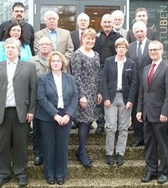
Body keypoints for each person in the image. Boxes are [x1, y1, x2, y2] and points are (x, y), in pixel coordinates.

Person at [0, 37, 37, 187]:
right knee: (2, 146)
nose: (10, 50)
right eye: (7, 48)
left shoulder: (29, 67)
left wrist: (31, 110)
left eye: (13, 48)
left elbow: (33, 90)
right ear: (4, 50)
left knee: (20, 145)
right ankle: (3, 174)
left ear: (19, 50)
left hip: (21, 112)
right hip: (2, 112)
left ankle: (21, 173)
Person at [35, 51, 78, 185]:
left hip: (65, 117)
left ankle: (60, 175)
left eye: (58, 61)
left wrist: (67, 115)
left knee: (62, 146)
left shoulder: (70, 78)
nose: (55, 63)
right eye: (53, 61)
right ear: (49, 63)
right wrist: (55, 115)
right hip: (48, 117)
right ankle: (50, 175)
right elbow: (41, 98)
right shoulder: (43, 78)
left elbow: (75, 97)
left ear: (62, 63)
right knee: (48, 146)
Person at [136, 40, 168, 184]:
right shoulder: (146, 69)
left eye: (156, 49)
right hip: (146, 114)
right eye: (151, 50)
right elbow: (142, 91)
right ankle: (151, 171)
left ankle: (163, 172)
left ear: (162, 51)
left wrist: (165, 113)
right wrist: (139, 110)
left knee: (162, 145)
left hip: (160, 115)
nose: (153, 52)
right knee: (149, 144)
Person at [70, 28, 102, 167]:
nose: (90, 41)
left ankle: (80, 150)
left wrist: (99, 92)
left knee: (89, 121)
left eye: (92, 39)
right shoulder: (77, 54)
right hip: (83, 93)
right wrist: (81, 95)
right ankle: (82, 151)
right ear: (83, 38)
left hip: (93, 92)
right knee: (83, 122)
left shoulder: (96, 54)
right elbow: (75, 76)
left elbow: (98, 74)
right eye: (88, 38)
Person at [103, 38, 136, 166]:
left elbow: (134, 83)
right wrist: (105, 97)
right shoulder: (109, 61)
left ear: (127, 49)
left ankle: (120, 153)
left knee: (123, 127)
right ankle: (109, 153)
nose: (121, 49)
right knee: (111, 127)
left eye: (124, 47)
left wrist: (131, 100)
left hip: (125, 98)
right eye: (119, 47)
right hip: (111, 97)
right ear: (116, 48)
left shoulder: (131, 63)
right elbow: (104, 80)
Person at [93, 14, 122, 135]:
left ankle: (114, 124)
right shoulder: (97, 36)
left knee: (113, 96)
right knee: (100, 97)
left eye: (109, 22)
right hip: (99, 69)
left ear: (112, 23)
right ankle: (100, 124)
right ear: (101, 23)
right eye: (105, 22)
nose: (107, 24)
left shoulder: (118, 37)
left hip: (114, 70)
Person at [126, 21, 152, 147]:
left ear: (146, 32)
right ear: (133, 33)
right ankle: (139, 137)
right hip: (134, 85)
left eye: (142, 31)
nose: (139, 33)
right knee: (136, 110)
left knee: (148, 111)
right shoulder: (129, 47)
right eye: (137, 31)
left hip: (150, 84)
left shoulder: (152, 46)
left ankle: (148, 137)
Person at [28, 36, 53, 166]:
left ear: (51, 46)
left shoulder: (56, 60)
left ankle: (49, 154)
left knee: (50, 130)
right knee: (37, 129)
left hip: (53, 102)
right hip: (37, 101)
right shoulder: (32, 61)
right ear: (38, 46)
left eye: (47, 44)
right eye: (42, 44)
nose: (44, 46)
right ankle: (38, 154)